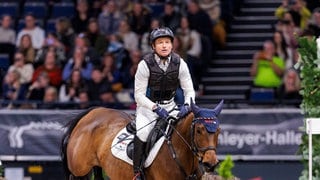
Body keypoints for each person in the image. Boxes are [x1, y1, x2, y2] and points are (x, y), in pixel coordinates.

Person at [132, 27, 195, 180]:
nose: (164, 45)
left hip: (171, 106)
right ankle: (138, 172)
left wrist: (187, 104)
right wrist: (155, 108)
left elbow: (190, 90)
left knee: (188, 130)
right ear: (153, 46)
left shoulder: (180, 63)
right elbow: (138, 95)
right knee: (143, 133)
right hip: (148, 109)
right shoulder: (144, 64)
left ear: (172, 45)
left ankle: (195, 170)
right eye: (160, 42)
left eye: (167, 42)